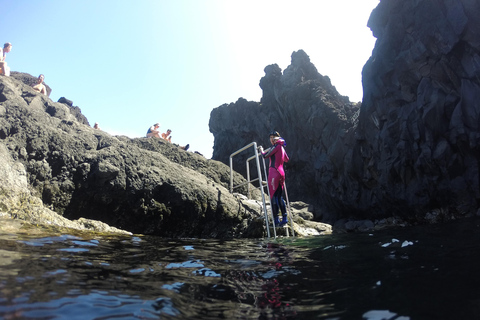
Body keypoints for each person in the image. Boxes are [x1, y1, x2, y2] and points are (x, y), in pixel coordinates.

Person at [259, 131, 290, 226]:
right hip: (281, 173)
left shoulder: (276, 146)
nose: (271, 139)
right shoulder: (282, 147)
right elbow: (286, 159)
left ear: (277, 138)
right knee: (279, 196)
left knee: (273, 196)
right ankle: (284, 218)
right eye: (270, 137)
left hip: (274, 173)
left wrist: (261, 149)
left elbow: (264, 156)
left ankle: (276, 220)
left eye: (273, 137)